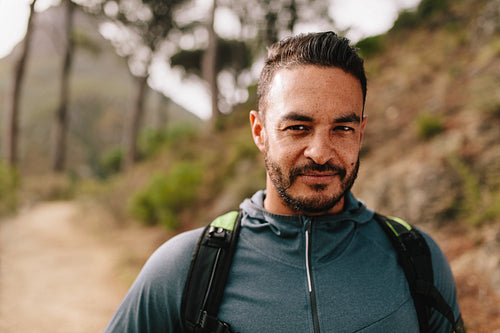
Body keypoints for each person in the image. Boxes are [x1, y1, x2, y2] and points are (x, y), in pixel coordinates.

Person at [104, 31, 463, 333]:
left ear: (361, 132)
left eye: (342, 128)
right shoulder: (185, 268)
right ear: (259, 132)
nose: (320, 153)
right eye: (297, 128)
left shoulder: (419, 259)